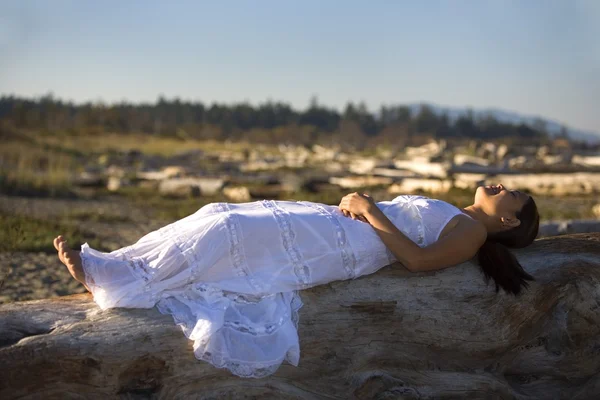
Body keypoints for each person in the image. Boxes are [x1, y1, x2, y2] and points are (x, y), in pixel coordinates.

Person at [54, 183, 539, 378]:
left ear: (511, 222)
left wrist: (371, 210)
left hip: (347, 244)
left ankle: (115, 277)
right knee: (221, 214)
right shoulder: (462, 214)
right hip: (335, 224)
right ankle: (117, 267)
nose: (499, 185)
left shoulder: (472, 231)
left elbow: (416, 260)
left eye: (510, 194)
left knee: (228, 230)